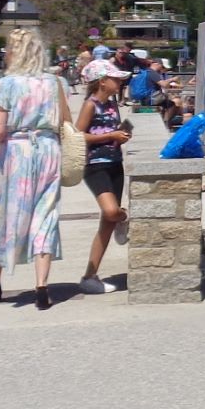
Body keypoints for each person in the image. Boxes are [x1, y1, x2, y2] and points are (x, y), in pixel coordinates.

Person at [0, 32, 70, 310]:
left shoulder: (3, 85)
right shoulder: (57, 83)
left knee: (5, 213)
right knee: (45, 213)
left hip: (17, 151)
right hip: (48, 148)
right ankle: (42, 286)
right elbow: (65, 121)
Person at [78, 59, 132, 291]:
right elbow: (78, 136)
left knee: (107, 222)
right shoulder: (90, 105)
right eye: (115, 78)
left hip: (115, 164)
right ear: (102, 82)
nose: (120, 81)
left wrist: (123, 134)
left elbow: (113, 131)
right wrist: (110, 136)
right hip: (94, 166)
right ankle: (124, 218)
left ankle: (90, 276)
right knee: (111, 211)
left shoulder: (113, 105)